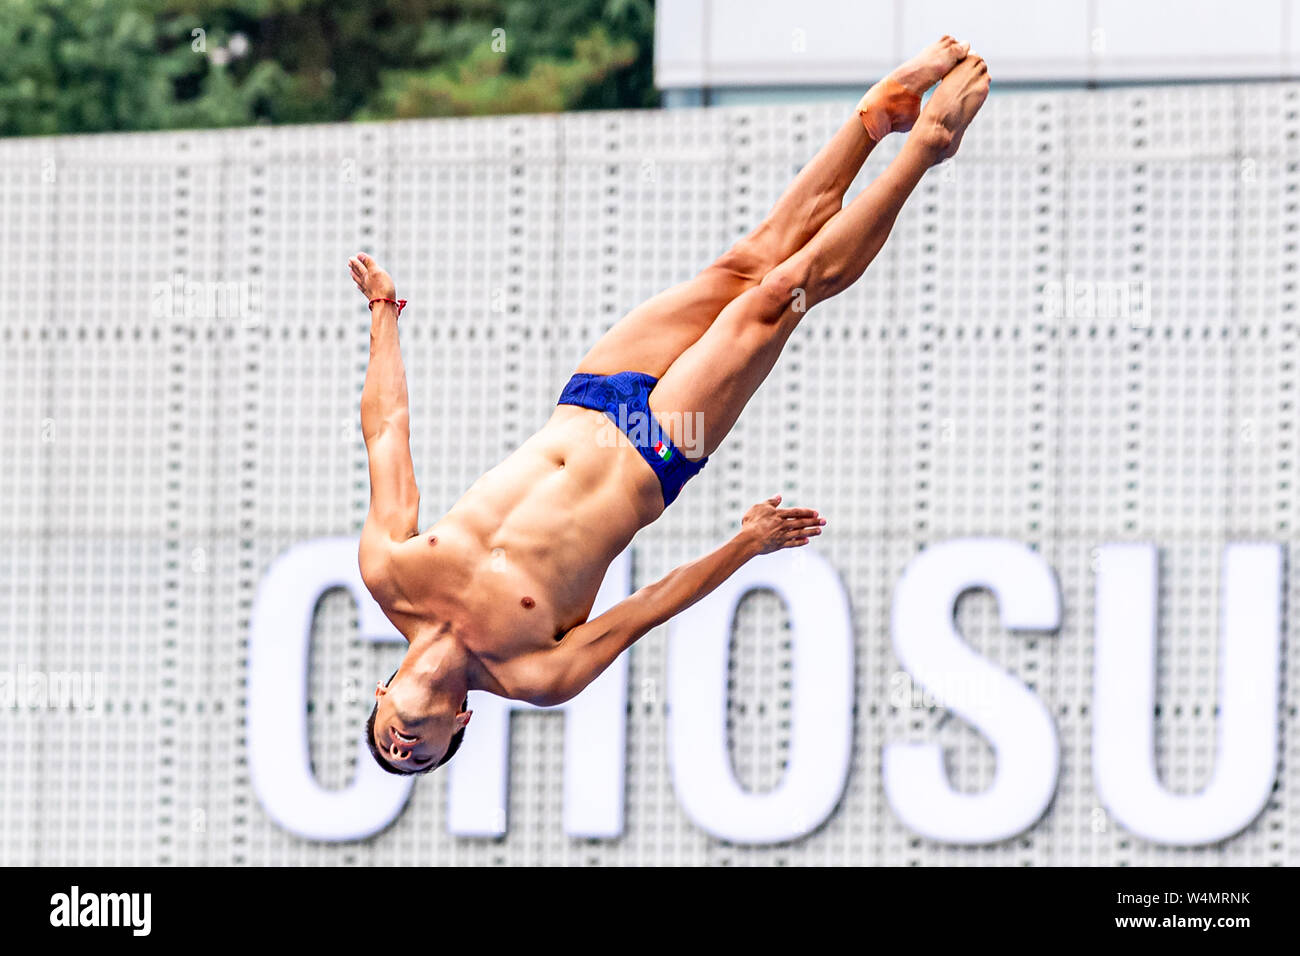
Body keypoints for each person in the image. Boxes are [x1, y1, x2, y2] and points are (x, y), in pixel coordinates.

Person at [348, 37, 989, 774]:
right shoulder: (534, 674)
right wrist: (745, 543)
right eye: (423, 757)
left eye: (390, 742)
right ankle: (927, 147)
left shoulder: (391, 573)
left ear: (382, 690)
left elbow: (387, 432)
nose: (404, 749)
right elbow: (653, 604)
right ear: (460, 722)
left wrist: (384, 312)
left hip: (588, 398)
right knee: (776, 298)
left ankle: (875, 121)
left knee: (746, 261)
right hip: (657, 447)